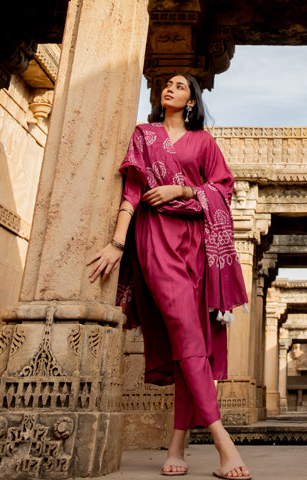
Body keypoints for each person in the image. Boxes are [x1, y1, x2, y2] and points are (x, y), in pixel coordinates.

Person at [88, 73, 252, 480]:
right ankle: (222, 443)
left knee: (189, 341)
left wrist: (182, 191)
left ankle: (176, 445)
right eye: (166, 85)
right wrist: (117, 243)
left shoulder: (204, 143)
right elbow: (131, 191)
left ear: (192, 100)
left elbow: (221, 190)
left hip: (197, 242)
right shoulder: (145, 135)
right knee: (185, 330)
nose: (169, 89)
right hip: (155, 236)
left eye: (179, 86)